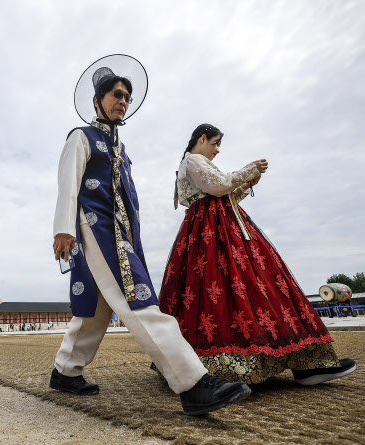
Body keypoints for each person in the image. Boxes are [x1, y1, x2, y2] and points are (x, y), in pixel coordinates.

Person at [49, 55, 251, 416]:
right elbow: (68, 182)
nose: (121, 100)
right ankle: (192, 382)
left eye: (126, 95)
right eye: (114, 94)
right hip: (95, 225)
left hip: (121, 233)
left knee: (96, 309)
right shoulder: (82, 137)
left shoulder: (121, 150)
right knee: (138, 299)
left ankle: (65, 370)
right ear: (97, 101)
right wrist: (63, 228)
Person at [159, 123, 357, 385]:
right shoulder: (192, 160)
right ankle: (289, 363)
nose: (218, 150)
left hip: (222, 225)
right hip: (212, 232)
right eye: (216, 143)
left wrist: (244, 185)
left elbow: (223, 196)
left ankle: (303, 360)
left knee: (254, 286)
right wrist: (248, 169)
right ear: (202, 138)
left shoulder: (197, 162)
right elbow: (219, 187)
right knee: (234, 288)